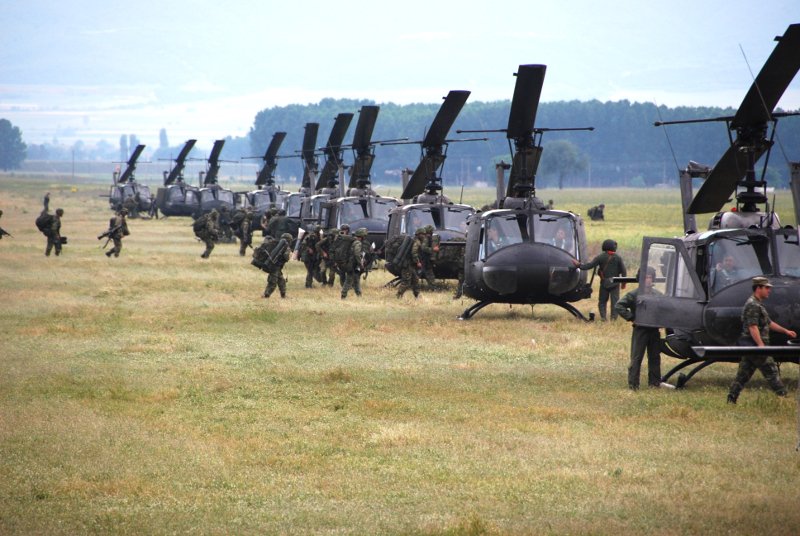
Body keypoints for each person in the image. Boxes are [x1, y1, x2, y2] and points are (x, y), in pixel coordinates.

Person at [727, 276, 797, 404]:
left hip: (753, 347)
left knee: (743, 375)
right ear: (758, 288)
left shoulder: (758, 304)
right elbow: (753, 327)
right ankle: (785, 400)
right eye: (766, 288)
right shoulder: (753, 305)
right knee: (772, 373)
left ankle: (731, 398)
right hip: (755, 346)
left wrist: (786, 331)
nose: (769, 291)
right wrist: (761, 346)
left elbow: (769, 323)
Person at [615, 267, 663, 390]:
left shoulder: (658, 295)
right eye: (646, 277)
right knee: (636, 358)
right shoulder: (634, 294)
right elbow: (619, 306)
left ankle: (654, 383)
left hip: (654, 330)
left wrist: (662, 321)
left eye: (650, 277)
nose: (648, 280)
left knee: (655, 357)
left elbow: (666, 308)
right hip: (640, 330)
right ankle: (633, 384)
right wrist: (632, 317)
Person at [573, 238, 627, 321]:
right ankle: (613, 319)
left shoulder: (600, 257)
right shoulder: (618, 257)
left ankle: (603, 318)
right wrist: (623, 283)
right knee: (615, 302)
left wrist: (579, 265)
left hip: (604, 283)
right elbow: (623, 271)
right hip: (615, 283)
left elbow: (589, 266)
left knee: (602, 301)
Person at [263, 233, 292, 299]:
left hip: (275, 266)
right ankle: (266, 295)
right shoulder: (285, 247)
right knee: (273, 282)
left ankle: (283, 295)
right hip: (275, 266)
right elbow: (286, 257)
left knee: (282, 281)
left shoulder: (277, 245)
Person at [397, 228, 423, 299]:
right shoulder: (417, 242)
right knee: (406, 282)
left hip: (411, 265)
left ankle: (417, 296)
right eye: (422, 234)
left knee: (415, 280)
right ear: (419, 234)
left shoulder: (415, 240)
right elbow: (414, 253)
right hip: (407, 265)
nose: (424, 236)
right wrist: (417, 262)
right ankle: (399, 295)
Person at [341, 228, 367, 299]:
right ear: (362, 236)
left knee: (356, 279)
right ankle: (343, 295)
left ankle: (359, 295)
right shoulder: (358, 243)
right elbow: (356, 253)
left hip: (351, 264)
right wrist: (360, 263)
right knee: (348, 280)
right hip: (352, 264)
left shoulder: (353, 241)